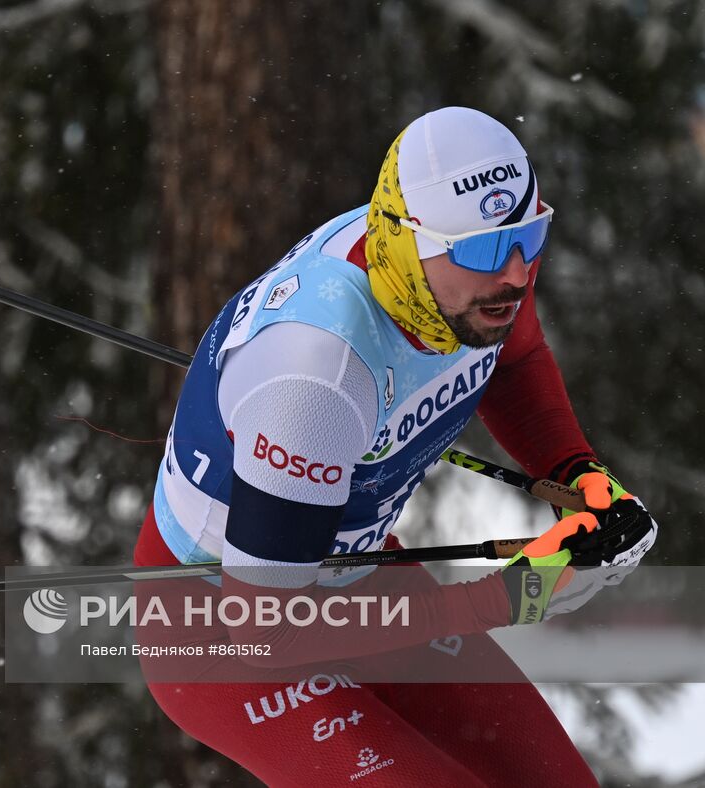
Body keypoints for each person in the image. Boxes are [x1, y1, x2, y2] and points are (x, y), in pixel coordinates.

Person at [134, 107, 658, 786]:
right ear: (408, 242)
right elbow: (267, 631)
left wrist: (579, 475)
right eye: (482, 249)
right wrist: (503, 600)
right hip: (222, 629)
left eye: (531, 236)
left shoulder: (476, 273)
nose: (517, 272)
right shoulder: (316, 377)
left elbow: (517, 360)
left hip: (352, 579)